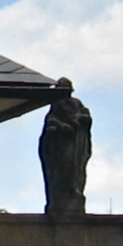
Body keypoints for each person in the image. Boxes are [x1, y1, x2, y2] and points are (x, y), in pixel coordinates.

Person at [39, 79, 92, 215]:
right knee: (62, 169)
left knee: (75, 169)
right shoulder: (57, 106)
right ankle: (62, 195)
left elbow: (86, 115)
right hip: (61, 144)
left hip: (75, 144)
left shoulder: (76, 103)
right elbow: (51, 122)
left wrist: (81, 119)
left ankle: (73, 192)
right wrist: (63, 127)